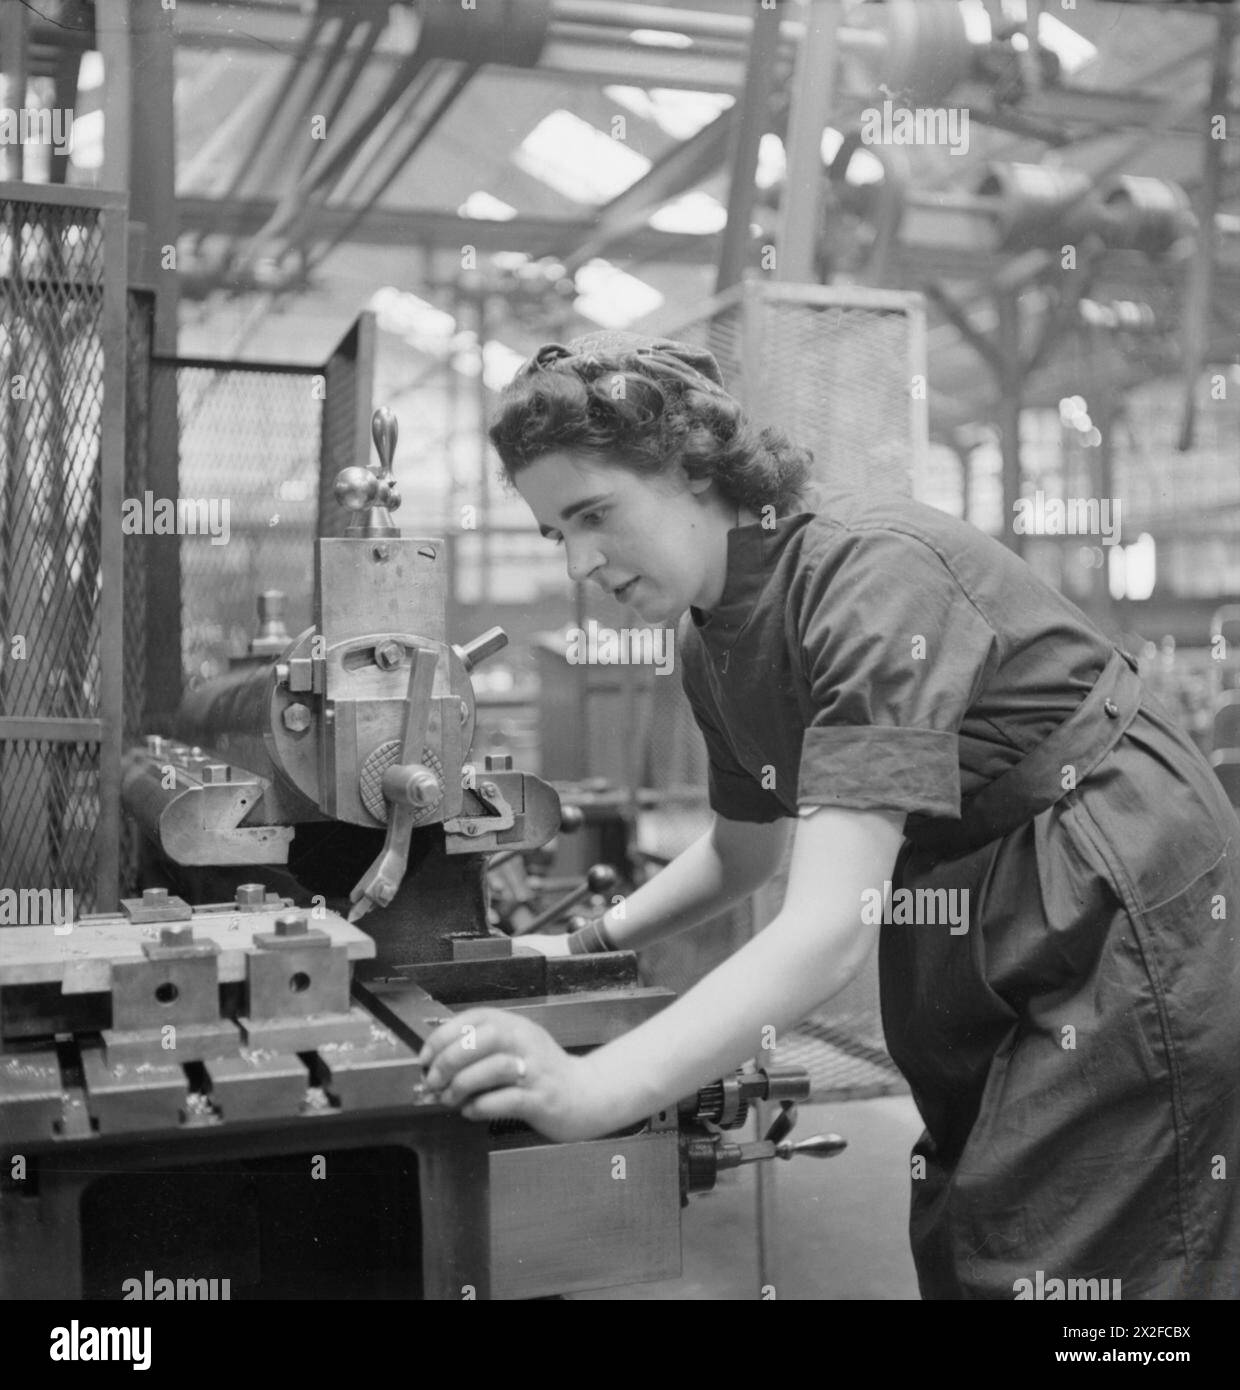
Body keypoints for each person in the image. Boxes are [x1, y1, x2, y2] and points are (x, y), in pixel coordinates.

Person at [417, 329, 1240, 1299]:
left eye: (595, 513)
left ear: (689, 467)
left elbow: (821, 935)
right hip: (966, 896)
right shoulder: (710, 643)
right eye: (558, 533)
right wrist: (580, 946)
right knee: (971, 1213)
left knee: (1079, 1243)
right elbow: (742, 857)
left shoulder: (868, 578)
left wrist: (594, 1087)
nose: (580, 566)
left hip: (1107, 873)